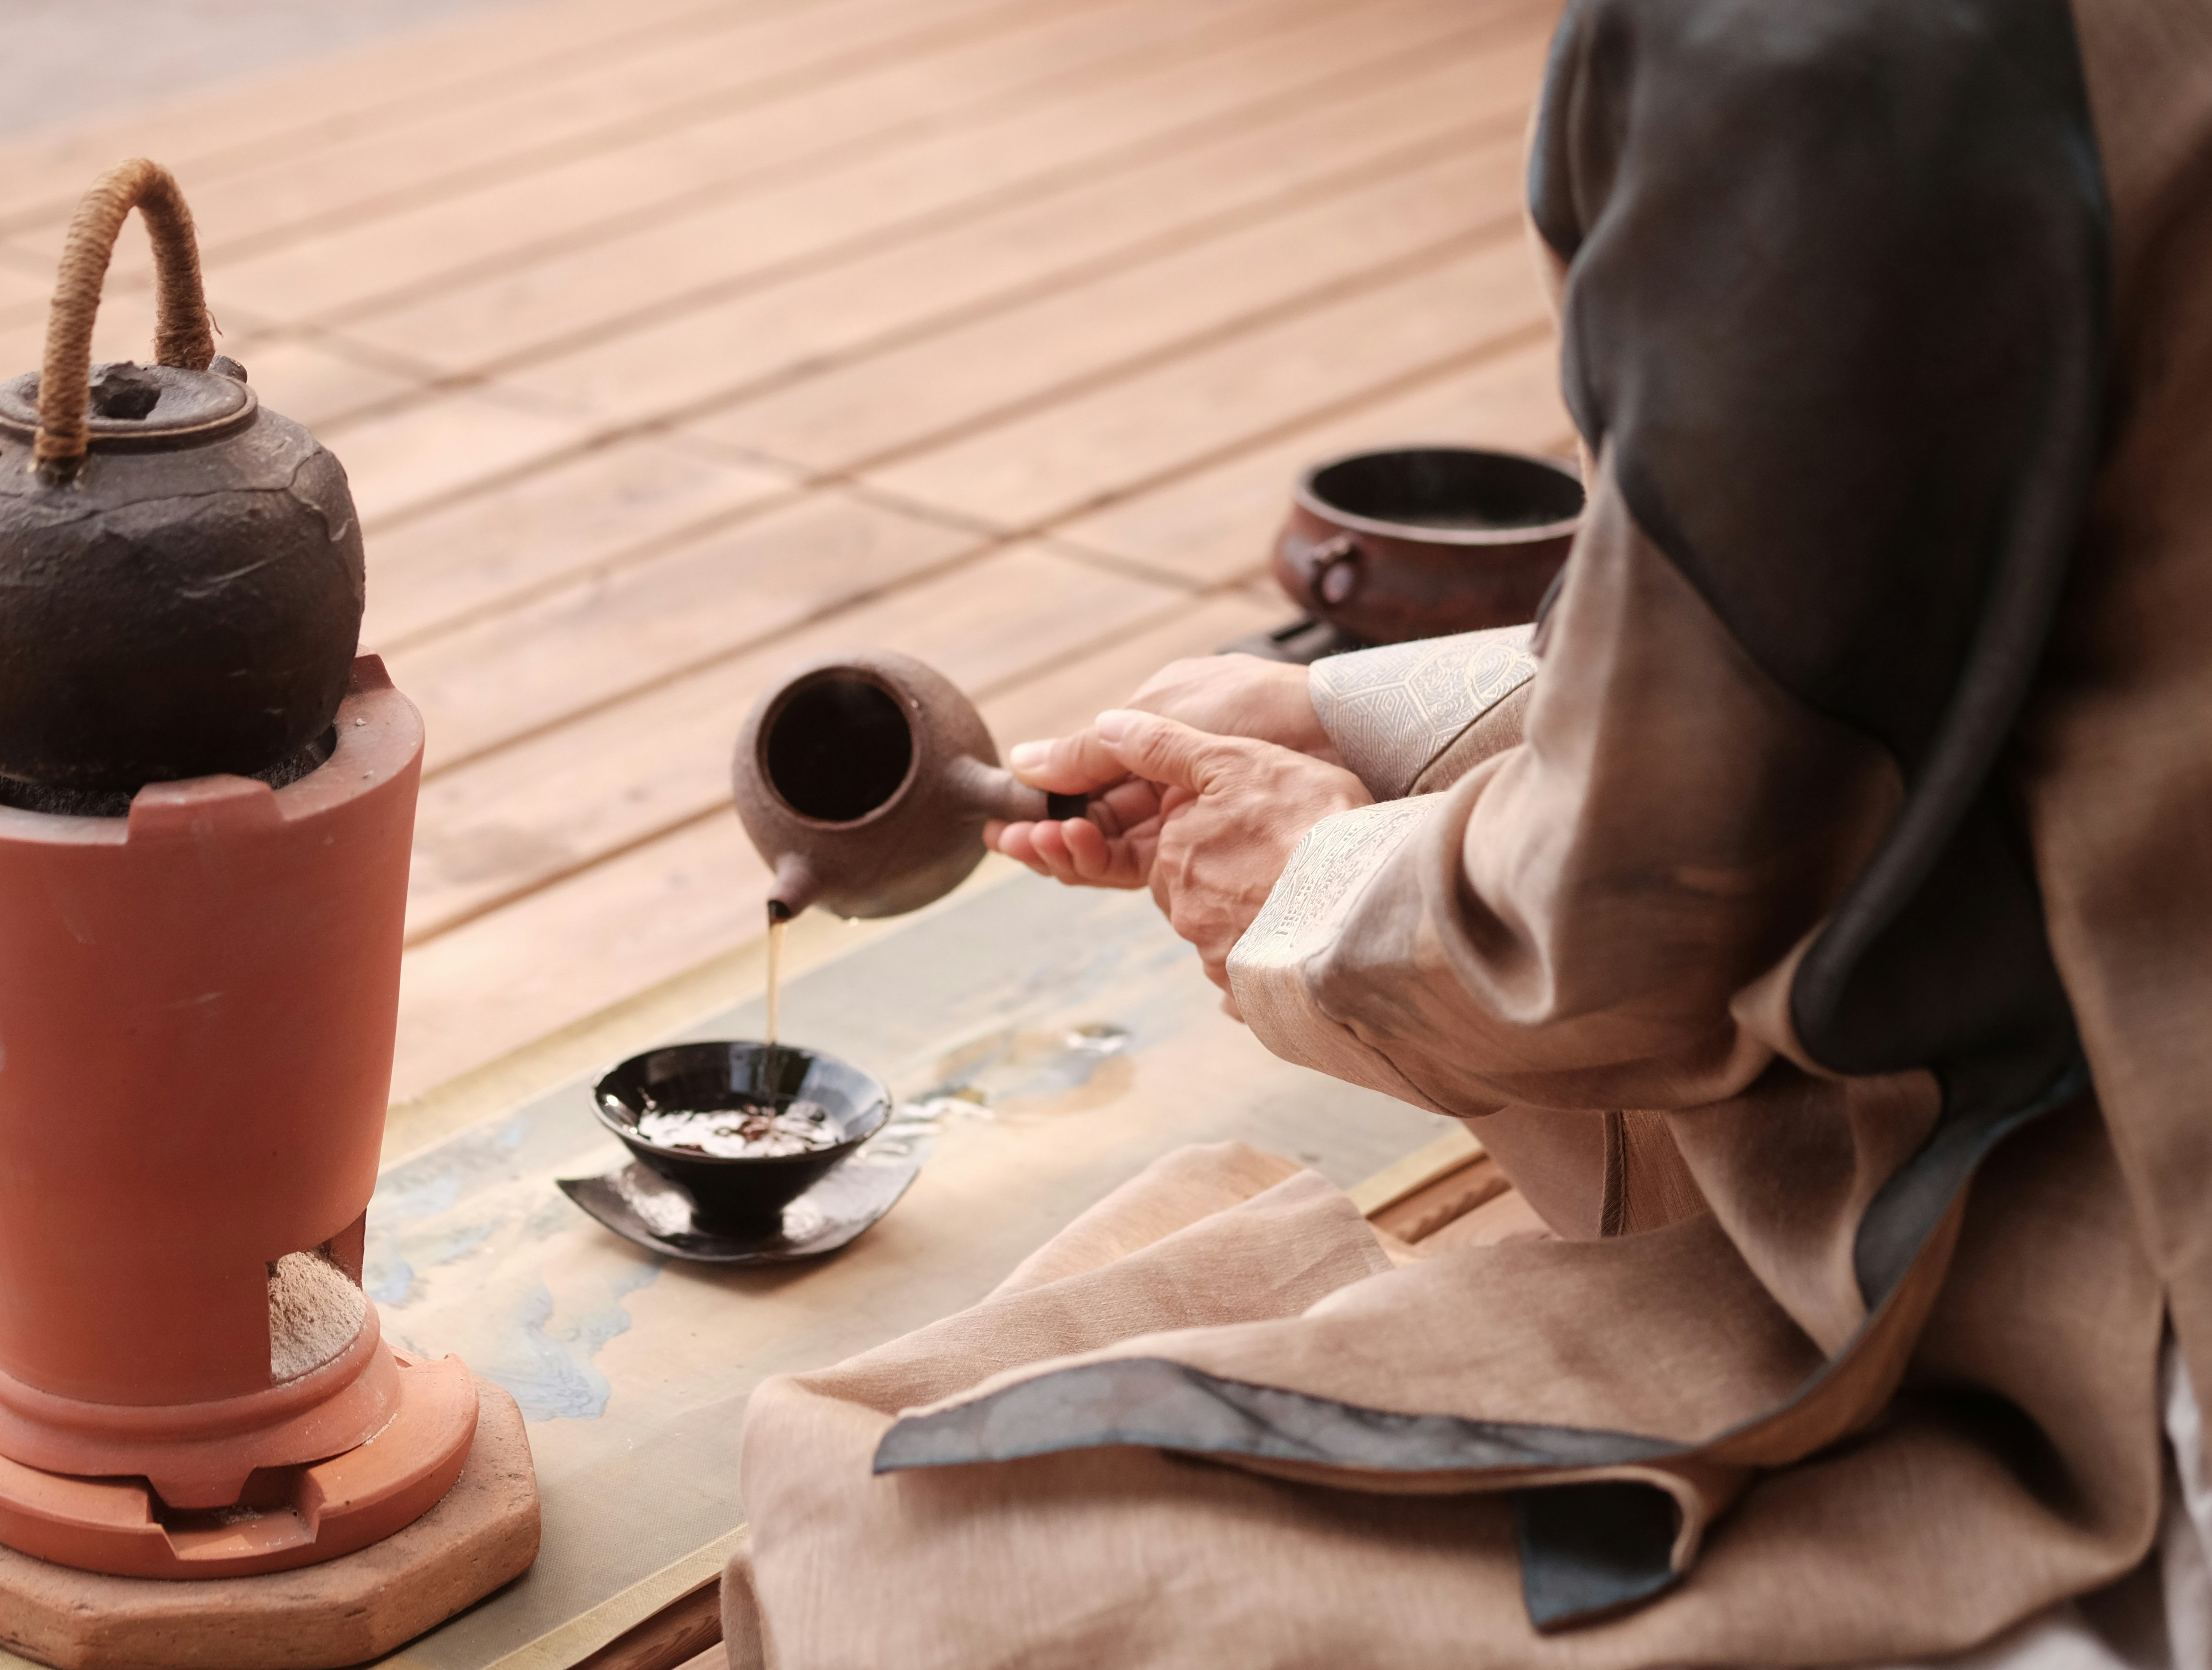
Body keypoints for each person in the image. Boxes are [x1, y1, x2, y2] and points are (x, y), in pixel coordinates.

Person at [720, 0, 2212, 1662]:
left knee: (890, 1521)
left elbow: (1628, 934)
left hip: (2115, 1280)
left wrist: (1306, 881)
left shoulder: (1812, 49)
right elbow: (1893, 622)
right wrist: (1338, 718)